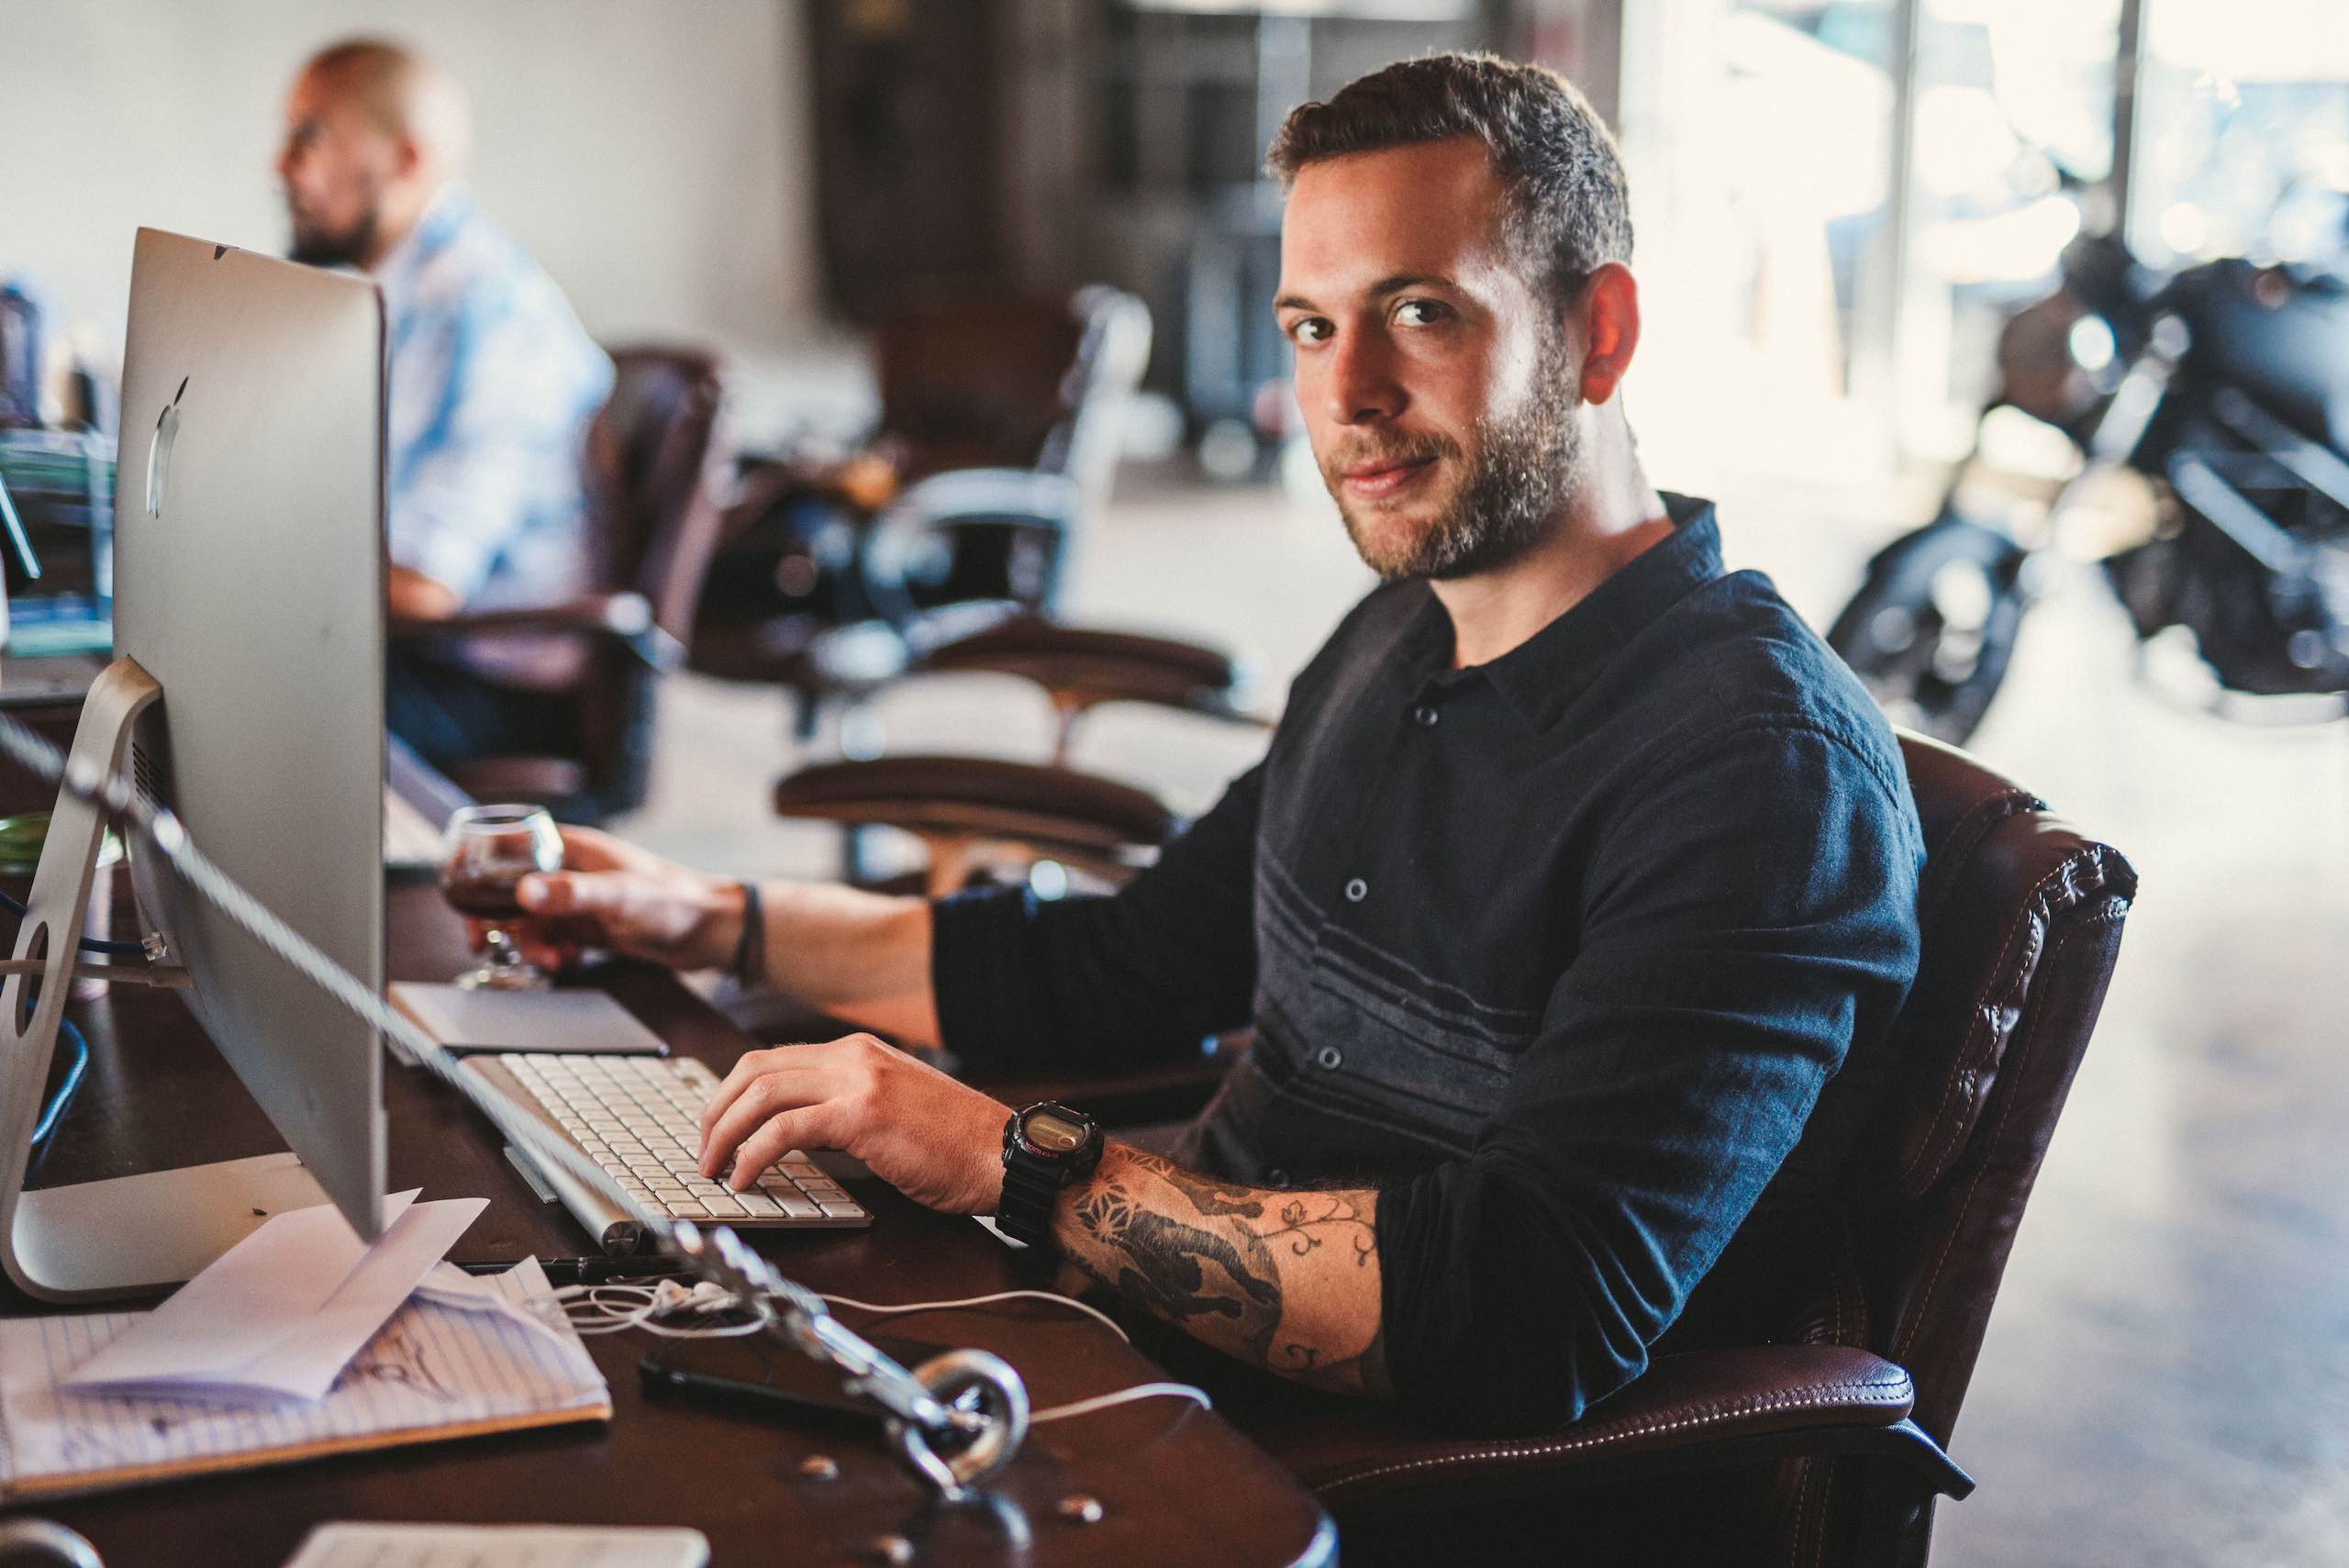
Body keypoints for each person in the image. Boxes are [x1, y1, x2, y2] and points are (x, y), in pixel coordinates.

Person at [508, 54, 1925, 1432]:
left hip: (1348, 1480)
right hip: (1132, 1351)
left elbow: (1523, 1312)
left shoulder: (1761, 775)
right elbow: (1124, 966)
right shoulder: (1403, 632)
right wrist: (701, 917)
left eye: (1420, 311)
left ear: (1597, 334)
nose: (1346, 391)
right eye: (1310, 327)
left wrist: (1004, 1161)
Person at [276, 38, 613, 768]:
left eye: (313, 134)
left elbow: (426, 584)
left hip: (492, 686)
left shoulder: (474, 308)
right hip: (430, 655)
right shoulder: (398, 296)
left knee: (226, 710)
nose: (284, 166)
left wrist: (251, 563)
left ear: (407, 159)